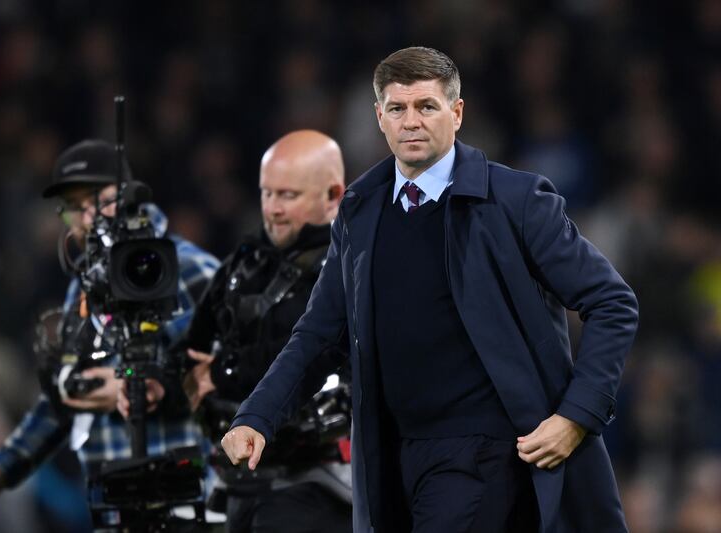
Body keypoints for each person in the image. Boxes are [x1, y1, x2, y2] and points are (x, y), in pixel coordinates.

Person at [220, 47, 639, 533]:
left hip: (488, 452)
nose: (411, 121)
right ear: (379, 117)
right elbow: (319, 333)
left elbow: (612, 302)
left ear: (457, 113)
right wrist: (257, 416)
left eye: (427, 106)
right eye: (398, 109)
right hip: (391, 456)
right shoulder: (359, 212)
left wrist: (576, 416)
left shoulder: (516, 201)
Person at [0, 139, 220, 526]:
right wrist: (4, 466)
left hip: (194, 501)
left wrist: (150, 387)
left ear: (131, 196)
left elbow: (242, 378)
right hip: (115, 503)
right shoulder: (85, 286)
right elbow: (64, 394)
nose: (87, 218)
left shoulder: (190, 269)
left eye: (97, 200)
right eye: (74, 208)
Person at [180, 130, 351, 533]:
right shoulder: (247, 262)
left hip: (324, 478)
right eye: (267, 193)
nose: (273, 208)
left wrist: (221, 372)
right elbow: (193, 348)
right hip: (238, 476)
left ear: (333, 195)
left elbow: (304, 353)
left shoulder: (351, 265)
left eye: (288, 196)